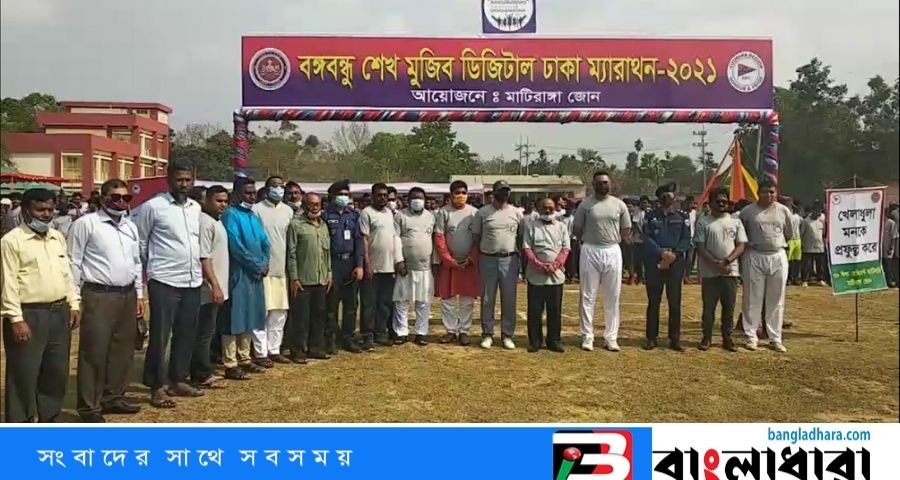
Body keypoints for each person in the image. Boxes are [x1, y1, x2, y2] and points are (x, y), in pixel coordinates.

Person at [1, 188, 81, 422]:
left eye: (50, 209)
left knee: (56, 372)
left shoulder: (57, 237)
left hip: (59, 312)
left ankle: (50, 420)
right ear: (26, 211)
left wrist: (73, 303)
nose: (46, 214)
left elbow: (66, 274)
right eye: (40, 210)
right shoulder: (12, 241)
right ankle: (20, 426)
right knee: (23, 374)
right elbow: (8, 283)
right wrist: (16, 319)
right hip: (29, 315)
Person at [67, 179, 143, 422]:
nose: (121, 202)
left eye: (125, 198)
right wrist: (74, 299)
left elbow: (136, 262)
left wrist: (140, 295)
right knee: (94, 351)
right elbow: (73, 262)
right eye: (115, 197)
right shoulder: (86, 224)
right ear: (102, 199)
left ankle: (114, 397)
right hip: (98, 294)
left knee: (123, 350)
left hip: (127, 293)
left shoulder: (130, 226)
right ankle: (90, 407)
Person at [136, 160, 203, 408]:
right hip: (164, 280)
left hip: (192, 279)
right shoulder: (153, 207)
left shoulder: (196, 207)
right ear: (169, 180)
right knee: (160, 335)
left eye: (188, 180)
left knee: (186, 333)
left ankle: (179, 379)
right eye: (179, 179)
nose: (183, 184)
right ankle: (156, 385)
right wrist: (151, 269)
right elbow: (141, 242)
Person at [573, 171, 631, 352]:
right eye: (599, 183)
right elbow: (577, 229)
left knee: (612, 297)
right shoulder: (585, 205)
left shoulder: (619, 205)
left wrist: (610, 238)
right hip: (590, 250)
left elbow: (626, 229)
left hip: (612, 250)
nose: (603, 185)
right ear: (593, 185)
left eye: (606, 182)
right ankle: (587, 336)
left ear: (610, 184)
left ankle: (611, 337)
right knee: (587, 296)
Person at [739, 179, 794, 353]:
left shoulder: (783, 211)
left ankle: (775, 338)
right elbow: (741, 234)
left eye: (772, 192)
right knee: (752, 297)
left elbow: (789, 233)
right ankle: (751, 336)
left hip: (777, 255)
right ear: (758, 193)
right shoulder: (748, 212)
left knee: (776, 298)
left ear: (776, 193)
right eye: (765, 192)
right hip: (754, 254)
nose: (768, 195)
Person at [222, 178, 270, 373]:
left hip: (256, 276)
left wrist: (264, 263)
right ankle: (230, 362)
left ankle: (245, 358)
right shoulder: (230, 215)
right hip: (239, 273)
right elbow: (235, 245)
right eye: (247, 193)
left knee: (250, 314)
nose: (252, 197)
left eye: (254, 193)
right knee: (235, 316)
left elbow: (265, 242)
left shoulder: (253, 215)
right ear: (236, 194)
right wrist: (255, 266)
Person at [693, 187, 746, 352]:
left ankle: (727, 338)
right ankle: (706, 338)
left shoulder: (736, 221)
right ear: (710, 203)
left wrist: (727, 261)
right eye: (718, 201)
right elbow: (700, 248)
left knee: (729, 308)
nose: (721, 204)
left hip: (731, 272)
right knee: (709, 308)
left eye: (724, 201)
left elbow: (741, 245)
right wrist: (716, 264)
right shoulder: (703, 222)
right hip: (710, 273)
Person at [473, 180, 524, 350]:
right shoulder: (482, 212)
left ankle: (507, 335)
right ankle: (487, 334)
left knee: (509, 298)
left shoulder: (517, 213)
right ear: (493, 193)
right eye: (501, 190)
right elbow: (476, 237)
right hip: (488, 259)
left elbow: (520, 237)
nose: (504, 193)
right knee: (488, 298)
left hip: (509, 260)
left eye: (507, 191)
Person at [642, 182, 692, 352]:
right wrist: (662, 253)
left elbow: (686, 239)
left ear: (674, 198)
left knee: (675, 302)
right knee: (653, 302)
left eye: (670, 195)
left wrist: (673, 255)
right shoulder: (650, 216)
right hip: (654, 262)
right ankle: (651, 338)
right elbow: (647, 238)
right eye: (664, 196)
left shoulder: (682, 216)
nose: (668, 198)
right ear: (659, 198)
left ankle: (674, 339)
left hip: (675, 263)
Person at [251, 176, 293, 366]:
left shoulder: (288, 211)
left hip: (281, 269)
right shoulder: (256, 210)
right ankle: (260, 353)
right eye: (275, 186)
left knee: (279, 312)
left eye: (281, 186)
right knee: (262, 312)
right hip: (263, 270)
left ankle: (274, 349)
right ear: (267, 189)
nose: (279, 190)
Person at [191, 185, 231, 385]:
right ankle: (201, 373)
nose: (222, 204)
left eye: (225, 201)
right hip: (207, 289)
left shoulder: (217, 221)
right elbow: (204, 257)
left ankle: (203, 367)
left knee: (209, 330)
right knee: (203, 332)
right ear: (206, 201)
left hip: (217, 286)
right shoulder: (205, 223)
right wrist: (214, 285)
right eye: (218, 201)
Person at [287, 192, 332, 362]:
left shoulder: (323, 226)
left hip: (321, 279)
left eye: (317, 204)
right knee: (301, 318)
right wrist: (294, 278)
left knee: (318, 317)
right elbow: (291, 253)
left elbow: (327, 253)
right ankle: (298, 351)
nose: (314, 207)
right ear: (304, 205)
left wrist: (329, 273)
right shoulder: (296, 225)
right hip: (302, 280)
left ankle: (316, 348)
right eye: (311, 204)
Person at [434, 180, 480, 346]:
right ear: (451, 195)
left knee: (467, 300)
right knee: (448, 299)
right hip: (450, 264)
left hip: (468, 264)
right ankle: (451, 331)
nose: (461, 196)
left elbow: (478, 239)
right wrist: (449, 260)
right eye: (457, 193)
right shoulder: (443, 212)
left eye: (464, 192)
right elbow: (439, 238)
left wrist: (471, 258)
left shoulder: (474, 213)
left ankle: (464, 331)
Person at [522, 198, 570, 353]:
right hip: (536, 275)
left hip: (556, 275)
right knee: (535, 310)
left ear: (555, 208)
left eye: (551, 207)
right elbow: (527, 249)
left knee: (554, 310)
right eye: (544, 208)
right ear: (538, 209)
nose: (548, 210)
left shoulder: (562, 227)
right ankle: (535, 341)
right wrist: (539, 265)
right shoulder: (531, 226)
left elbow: (565, 249)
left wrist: (555, 265)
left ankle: (554, 340)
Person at [323, 180, 364, 353]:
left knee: (351, 305)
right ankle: (331, 340)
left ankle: (348, 338)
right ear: (332, 196)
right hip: (333, 264)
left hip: (350, 264)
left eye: (346, 194)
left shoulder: (353, 215)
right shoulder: (325, 215)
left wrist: (359, 265)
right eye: (340, 194)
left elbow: (359, 241)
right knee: (331, 306)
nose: (343, 197)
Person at [360, 183, 402, 348]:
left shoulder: (390, 213)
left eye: (385, 195)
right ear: (372, 196)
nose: (383, 198)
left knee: (385, 303)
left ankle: (380, 333)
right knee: (369, 304)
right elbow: (364, 239)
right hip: (372, 267)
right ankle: (367, 336)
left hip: (388, 266)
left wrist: (397, 261)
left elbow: (394, 238)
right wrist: (367, 262)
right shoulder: (366, 213)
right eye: (379, 195)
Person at [392, 187, 435, 346]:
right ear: (408, 200)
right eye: (414, 197)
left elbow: (433, 239)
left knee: (423, 301)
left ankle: (421, 333)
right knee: (401, 301)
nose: (418, 200)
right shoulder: (400, 216)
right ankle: (401, 332)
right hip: (405, 266)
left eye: (420, 198)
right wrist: (399, 260)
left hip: (424, 266)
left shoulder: (430, 216)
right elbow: (395, 239)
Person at [800, 201, 828, 287]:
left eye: (820, 211)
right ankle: (804, 280)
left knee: (820, 264)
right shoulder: (806, 221)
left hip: (819, 246)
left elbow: (823, 232)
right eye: (817, 211)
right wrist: (802, 244)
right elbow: (801, 233)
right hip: (808, 247)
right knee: (807, 265)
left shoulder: (822, 220)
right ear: (813, 210)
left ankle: (821, 279)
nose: (819, 213)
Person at [786, 202, 803, 285]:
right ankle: (789, 278)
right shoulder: (786, 218)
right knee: (788, 260)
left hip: (797, 239)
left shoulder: (798, 217)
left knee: (797, 260)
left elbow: (802, 225)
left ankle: (796, 278)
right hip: (790, 240)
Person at [883, 208, 899, 288]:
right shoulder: (880, 222)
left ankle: (889, 282)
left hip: (888, 248)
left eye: (885, 212)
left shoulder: (891, 223)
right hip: (880, 248)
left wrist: (891, 247)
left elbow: (894, 237)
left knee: (888, 265)